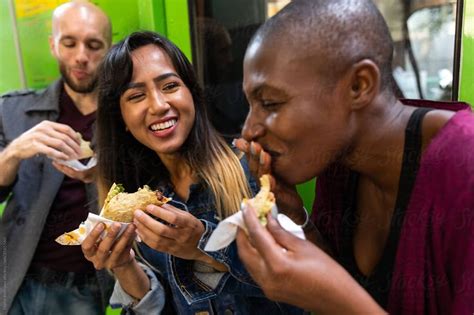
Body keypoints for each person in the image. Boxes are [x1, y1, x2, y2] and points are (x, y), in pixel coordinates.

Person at [234, 0, 474, 314]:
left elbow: (343, 299)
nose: (249, 130)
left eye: (270, 103)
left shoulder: (464, 169)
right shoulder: (340, 164)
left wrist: (333, 301)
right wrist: (296, 217)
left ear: (359, 86)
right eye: (251, 105)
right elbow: (343, 280)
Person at [81, 31, 305, 314]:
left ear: (192, 94)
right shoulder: (139, 203)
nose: (159, 105)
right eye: (137, 95)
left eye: (170, 86)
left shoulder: (250, 170)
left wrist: (203, 245)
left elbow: (299, 285)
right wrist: (124, 267)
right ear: (121, 119)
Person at [0, 2, 113, 314]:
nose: (81, 57)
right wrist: (13, 153)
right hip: (13, 276)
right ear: (53, 45)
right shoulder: (13, 111)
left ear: (109, 50)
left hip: (84, 288)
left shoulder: (127, 119)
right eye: (69, 43)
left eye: (93, 45)